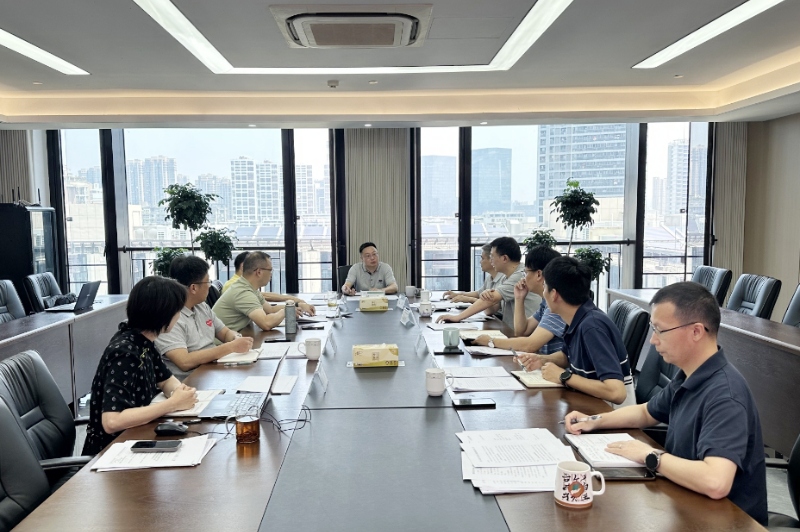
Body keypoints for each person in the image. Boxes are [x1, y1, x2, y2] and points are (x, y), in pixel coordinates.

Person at [564, 282, 767, 525]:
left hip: (727, 522)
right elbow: (646, 412)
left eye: (660, 330)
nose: (653, 340)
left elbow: (715, 482)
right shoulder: (689, 375)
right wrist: (593, 421)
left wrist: (650, 456)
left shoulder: (726, 395)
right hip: (686, 505)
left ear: (696, 331)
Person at [82, 276, 198, 455]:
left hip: (135, 437)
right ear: (163, 314)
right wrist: (172, 404)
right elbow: (112, 421)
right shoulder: (125, 353)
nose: (179, 316)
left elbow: (165, 380)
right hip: (110, 451)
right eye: (177, 311)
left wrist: (179, 392)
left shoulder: (143, 341)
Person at [534, 256, 634, 406]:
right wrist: (541, 360)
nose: (543, 293)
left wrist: (564, 376)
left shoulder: (592, 327)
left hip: (609, 413)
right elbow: (567, 357)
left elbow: (616, 392)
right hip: (587, 406)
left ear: (554, 294)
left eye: (544, 287)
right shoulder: (577, 317)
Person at [155, 255, 254, 379]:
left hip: (212, 371)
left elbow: (224, 333)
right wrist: (231, 347)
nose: (209, 286)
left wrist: (235, 338)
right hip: (191, 380)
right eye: (208, 282)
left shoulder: (202, 306)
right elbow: (184, 362)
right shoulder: (168, 317)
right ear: (194, 288)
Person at [473, 246, 565, 354]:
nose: (523, 278)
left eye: (526, 273)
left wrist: (490, 341)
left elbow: (530, 345)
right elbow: (522, 331)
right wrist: (519, 298)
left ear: (539, 274)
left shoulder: (557, 306)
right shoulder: (545, 303)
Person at [435, 236, 539, 331]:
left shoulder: (520, 276)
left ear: (504, 258)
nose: (491, 260)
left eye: (492, 256)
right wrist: (486, 295)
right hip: (510, 330)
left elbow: (491, 300)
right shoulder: (506, 277)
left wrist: (457, 317)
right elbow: (492, 306)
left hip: (525, 334)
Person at [212, 251, 312, 332]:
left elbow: (270, 310)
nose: (271, 274)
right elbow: (266, 323)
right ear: (259, 272)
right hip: (221, 345)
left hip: (237, 338)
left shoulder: (250, 287)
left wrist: (298, 305)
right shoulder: (242, 292)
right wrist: (286, 311)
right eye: (270, 270)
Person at [443, 244, 505, 308]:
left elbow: (494, 307)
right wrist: (457, 294)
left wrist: (469, 299)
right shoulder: (489, 277)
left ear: (491, 260)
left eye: (482, 258)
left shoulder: (504, 279)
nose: (480, 262)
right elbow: (478, 294)